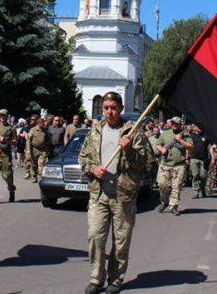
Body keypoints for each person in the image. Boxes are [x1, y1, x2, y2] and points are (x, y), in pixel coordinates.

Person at [79, 92, 147, 294]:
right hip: (98, 194)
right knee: (95, 236)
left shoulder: (133, 132)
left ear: (121, 108)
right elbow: (83, 158)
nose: (109, 111)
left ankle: (115, 279)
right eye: (106, 107)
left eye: (113, 108)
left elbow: (144, 163)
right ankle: (96, 278)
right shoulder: (95, 131)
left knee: (121, 240)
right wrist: (93, 169)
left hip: (123, 195)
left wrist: (129, 151)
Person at [156, 117, 192, 216]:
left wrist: (181, 141)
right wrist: (162, 150)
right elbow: (158, 144)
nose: (174, 124)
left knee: (176, 187)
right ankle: (164, 201)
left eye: (176, 123)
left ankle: (174, 206)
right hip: (165, 164)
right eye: (173, 123)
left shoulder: (185, 135)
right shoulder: (165, 133)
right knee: (162, 185)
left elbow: (191, 146)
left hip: (179, 165)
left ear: (181, 124)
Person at [0, 109, 17, 204]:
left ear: (7, 116)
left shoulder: (11, 128)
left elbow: (15, 142)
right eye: (1, 115)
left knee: (7, 176)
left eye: (4, 115)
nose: (2, 117)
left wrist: (6, 141)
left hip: (5, 156)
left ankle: (11, 190)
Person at [26, 115, 50, 183]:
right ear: (38, 123)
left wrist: (47, 148)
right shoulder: (33, 130)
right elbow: (28, 140)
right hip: (34, 150)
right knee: (33, 164)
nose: (42, 126)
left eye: (43, 124)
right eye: (41, 124)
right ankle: (34, 177)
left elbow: (48, 140)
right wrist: (28, 149)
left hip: (42, 150)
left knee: (41, 163)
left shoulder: (45, 131)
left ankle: (40, 177)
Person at [188, 125, 210, 198]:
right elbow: (188, 147)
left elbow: (209, 147)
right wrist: (187, 158)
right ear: (195, 128)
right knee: (195, 175)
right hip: (194, 158)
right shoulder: (192, 136)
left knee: (203, 176)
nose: (200, 128)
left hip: (203, 159)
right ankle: (195, 192)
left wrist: (212, 157)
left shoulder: (205, 136)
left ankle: (202, 189)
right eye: (198, 127)